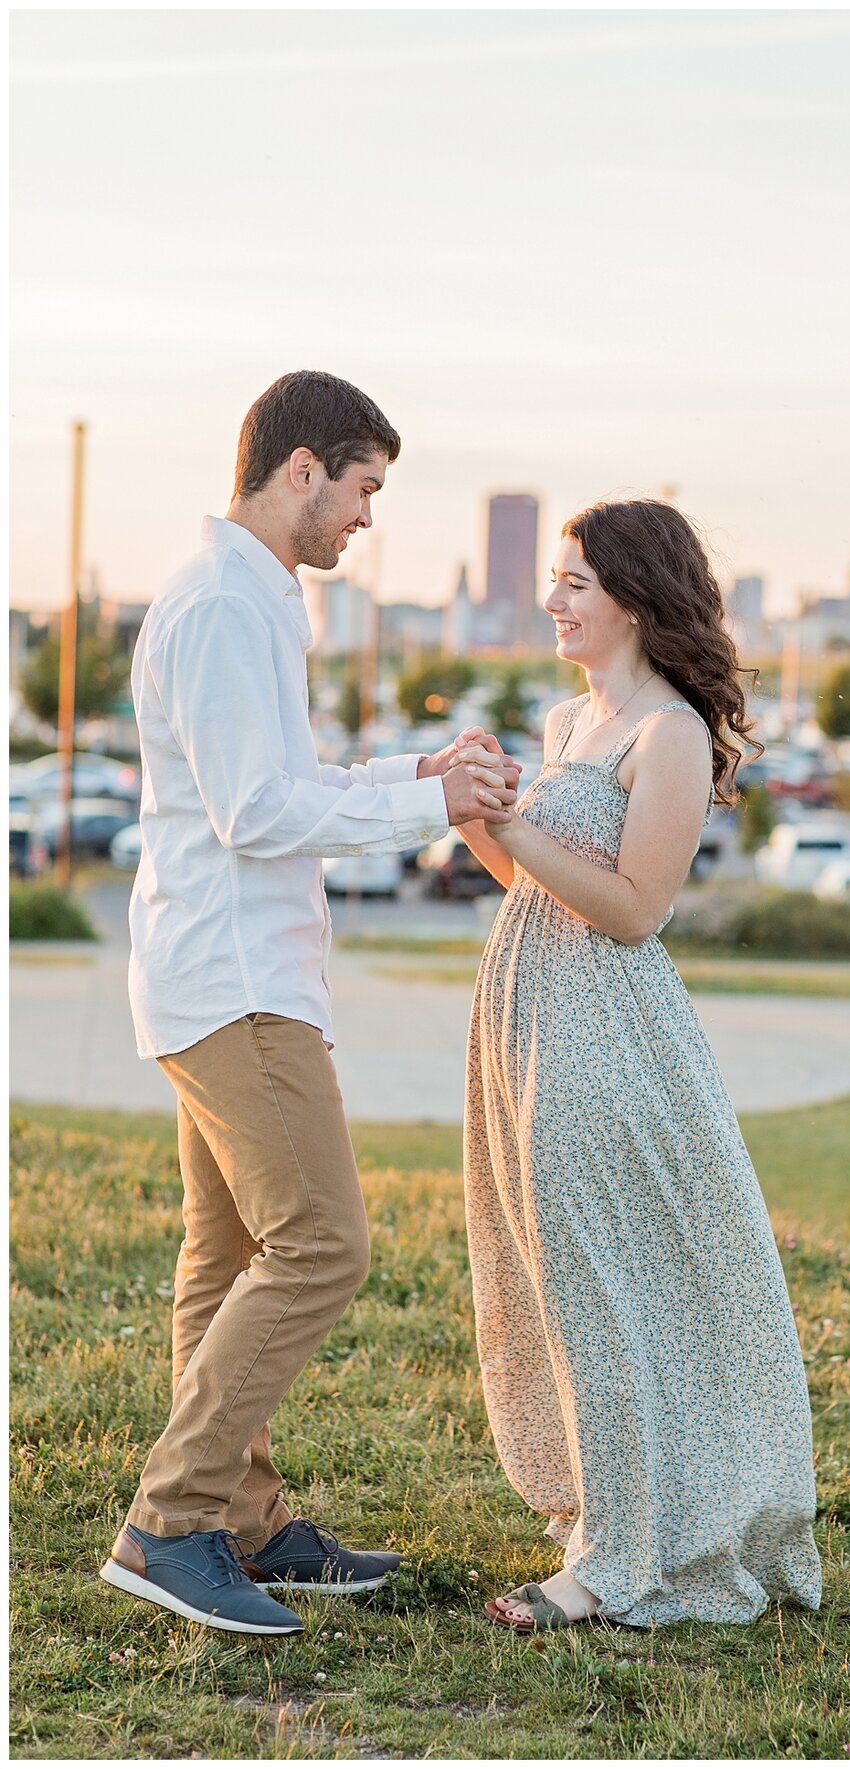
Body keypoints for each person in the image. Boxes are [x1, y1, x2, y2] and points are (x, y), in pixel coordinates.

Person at [105, 371, 520, 1636]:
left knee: (226, 1256)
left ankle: (239, 1518)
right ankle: (171, 1522)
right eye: (363, 488)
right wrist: (428, 806)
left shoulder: (250, 598)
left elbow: (278, 777)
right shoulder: (229, 605)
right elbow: (257, 810)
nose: (365, 518)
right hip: (237, 986)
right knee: (323, 1244)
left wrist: (414, 769)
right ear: (301, 469)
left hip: (217, 971)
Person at [453, 498, 822, 1632]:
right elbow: (525, 878)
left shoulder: (668, 734)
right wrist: (481, 806)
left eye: (575, 580)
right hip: (524, 1010)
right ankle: (608, 1511)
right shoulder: (570, 723)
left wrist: (515, 829)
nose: (554, 598)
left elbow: (632, 909)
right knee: (550, 1281)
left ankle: (617, 1560)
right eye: (555, 577)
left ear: (633, 595)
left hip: (603, 1031)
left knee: (599, 1292)